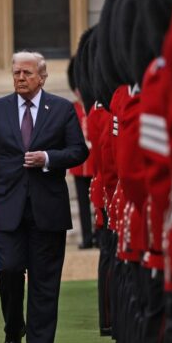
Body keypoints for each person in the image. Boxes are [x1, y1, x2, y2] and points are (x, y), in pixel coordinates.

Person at [0, 51, 88, 343]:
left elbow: (79, 151)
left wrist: (48, 159)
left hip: (47, 207)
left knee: (44, 281)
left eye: (26, 73)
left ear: (42, 77)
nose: (20, 78)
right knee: (8, 269)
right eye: (15, 73)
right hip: (6, 205)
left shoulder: (62, 109)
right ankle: (14, 329)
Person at [66, 59, 96, 249]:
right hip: (79, 164)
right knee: (84, 205)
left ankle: (101, 234)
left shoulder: (95, 107)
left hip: (95, 162)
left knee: (99, 201)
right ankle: (87, 237)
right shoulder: (73, 108)